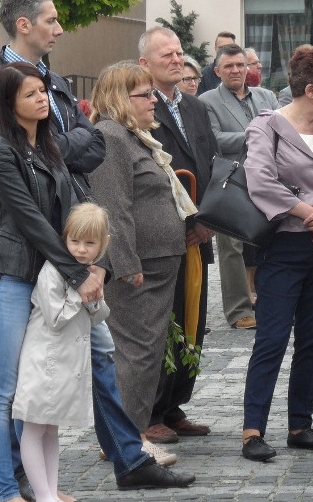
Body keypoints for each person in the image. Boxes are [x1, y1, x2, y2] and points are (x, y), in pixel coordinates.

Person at [0, 0, 192, 490]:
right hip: (32, 258)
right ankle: (17, 484)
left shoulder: (51, 78)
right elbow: (18, 164)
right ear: (24, 25)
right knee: (13, 382)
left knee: (101, 357)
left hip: (72, 241)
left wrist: (57, 144)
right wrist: (58, 146)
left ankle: (127, 459)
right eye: (50, 20)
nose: (60, 28)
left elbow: (89, 144)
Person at [0, 61, 104, 502]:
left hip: (52, 280)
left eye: (44, 91)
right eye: (31, 93)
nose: (42, 99)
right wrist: (77, 274)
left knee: (38, 392)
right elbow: (30, 221)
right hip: (13, 279)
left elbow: (75, 209)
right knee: (3, 390)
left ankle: (43, 487)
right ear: (8, 103)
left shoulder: (50, 148)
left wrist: (97, 261)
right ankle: (7, 491)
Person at [240, 46, 313, 462]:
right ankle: (252, 430)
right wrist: (311, 212)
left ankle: (300, 425)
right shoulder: (267, 127)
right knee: (271, 339)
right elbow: (260, 181)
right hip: (286, 245)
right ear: (310, 90)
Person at [87, 61, 197, 443]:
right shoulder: (111, 136)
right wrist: (125, 262)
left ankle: (127, 438)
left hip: (156, 261)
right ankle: (125, 442)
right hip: (138, 266)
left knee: (146, 352)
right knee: (137, 354)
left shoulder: (134, 136)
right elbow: (112, 207)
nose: (154, 101)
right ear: (121, 98)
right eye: (145, 95)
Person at [138, 28, 217, 444]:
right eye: (165, 54)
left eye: (179, 52)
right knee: (160, 325)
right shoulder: (139, 108)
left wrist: (207, 221)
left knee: (192, 322)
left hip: (198, 234)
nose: (175, 59)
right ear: (144, 64)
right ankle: (148, 410)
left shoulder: (196, 107)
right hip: (162, 236)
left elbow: (207, 163)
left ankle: (173, 405)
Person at [12, 202, 111, 502]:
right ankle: (43, 495)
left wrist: (94, 295)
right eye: (75, 241)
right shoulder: (53, 271)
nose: (80, 249)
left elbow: (98, 315)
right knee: (33, 426)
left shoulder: (86, 273)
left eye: (89, 243)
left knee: (51, 429)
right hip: (44, 360)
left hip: (62, 363)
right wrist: (80, 293)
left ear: (101, 246)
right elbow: (56, 317)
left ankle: (51, 490)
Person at [200, 43, 280, 330]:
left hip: (270, 177)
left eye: (240, 65)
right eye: (229, 66)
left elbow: (284, 129)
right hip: (231, 180)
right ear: (217, 70)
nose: (236, 70)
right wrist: (253, 135)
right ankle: (238, 310)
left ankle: (273, 303)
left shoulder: (266, 96)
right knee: (231, 246)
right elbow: (214, 138)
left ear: (249, 68)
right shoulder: (207, 101)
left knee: (273, 241)